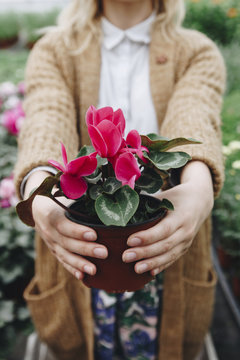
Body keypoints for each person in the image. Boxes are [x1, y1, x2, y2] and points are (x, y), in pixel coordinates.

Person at [14, 0, 226, 359]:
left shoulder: (195, 51)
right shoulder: (55, 50)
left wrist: (200, 187)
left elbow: (194, 117)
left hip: (168, 254)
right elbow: (46, 118)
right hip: (78, 257)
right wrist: (40, 191)